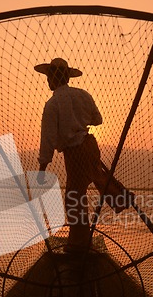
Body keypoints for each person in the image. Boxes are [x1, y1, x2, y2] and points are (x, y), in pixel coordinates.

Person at [35, 57, 133, 252]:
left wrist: (42, 168)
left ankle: (78, 244)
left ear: (54, 78)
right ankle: (122, 197)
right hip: (90, 144)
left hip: (75, 151)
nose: (47, 81)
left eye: (49, 77)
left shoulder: (53, 104)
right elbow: (97, 120)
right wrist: (80, 120)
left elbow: (48, 138)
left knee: (74, 196)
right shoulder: (83, 95)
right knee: (96, 175)